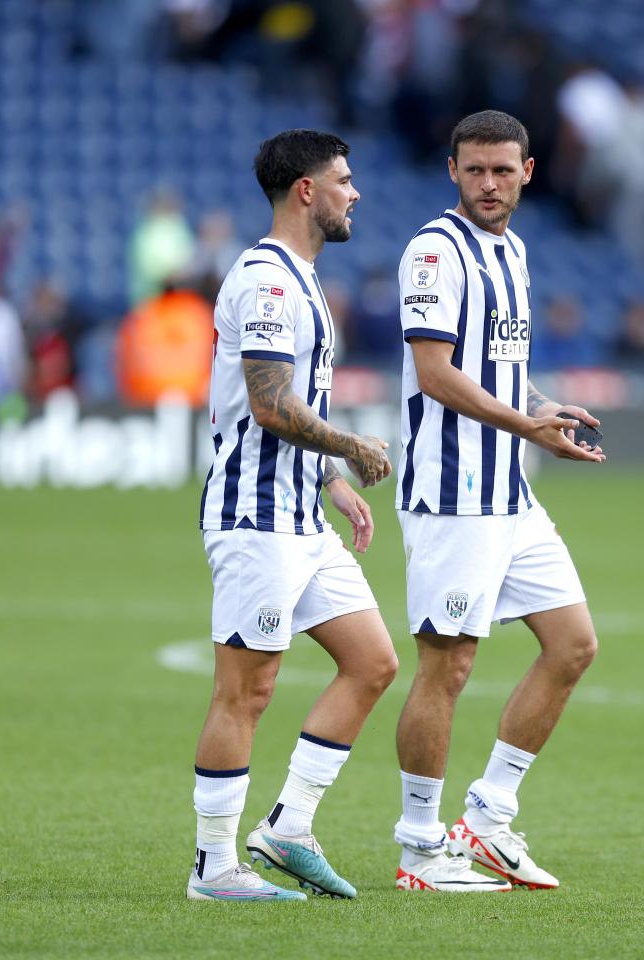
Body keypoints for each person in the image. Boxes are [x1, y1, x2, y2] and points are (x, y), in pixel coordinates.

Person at [391, 110, 605, 893]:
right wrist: (529, 428)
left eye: (502, 171)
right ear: (452, 171)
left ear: (529, 172)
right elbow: (436, 373)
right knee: (447, 668)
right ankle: (420, 849)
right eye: (475, 170)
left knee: (573, 644)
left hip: (507, 494)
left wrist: (543, 408)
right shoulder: (434, 252)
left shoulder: (512, 251)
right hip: (452, 494)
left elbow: (500, 369)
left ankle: (485, 820)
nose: (489, 184)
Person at [189, 129, 397, 903]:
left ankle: (287, 827)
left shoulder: (301, 279)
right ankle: (213, 868)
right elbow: (273, 406)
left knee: (373, 661)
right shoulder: (270, 282)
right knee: (246, 690)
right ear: (306, 190)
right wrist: (349, 446)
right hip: (254, 519)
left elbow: (286, 410)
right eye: (343, 180)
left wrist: (330, 481)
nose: (355, 192)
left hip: (298, 515)